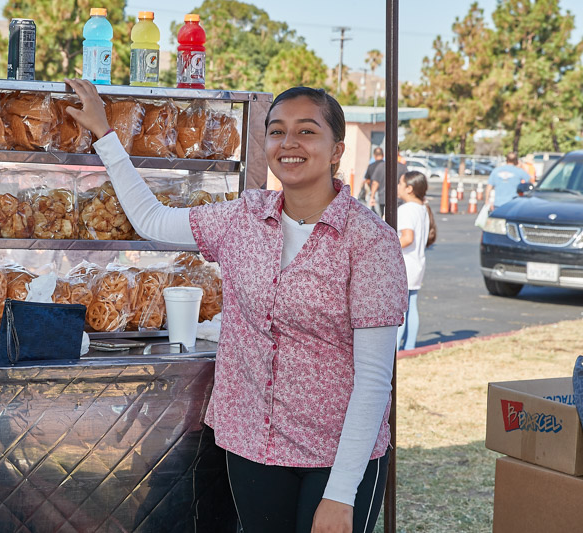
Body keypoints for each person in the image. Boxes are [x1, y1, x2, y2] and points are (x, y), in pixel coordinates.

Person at [65, 79, 408, 533]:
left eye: (307, 131)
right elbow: (152, 221)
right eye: (276, 131)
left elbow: (373, 379)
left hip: (336, 456)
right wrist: (105, 135)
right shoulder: (244, 217)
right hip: (253, 445)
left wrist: (341, 493)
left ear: (336, 149)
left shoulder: (369, 242)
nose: (289, 143)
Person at [395, 171, 435, 351]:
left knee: (399, 311)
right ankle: (409, 347)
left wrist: (386, 248)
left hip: (404, 265)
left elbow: (407, 237)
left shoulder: (406, 209)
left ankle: (395, 348)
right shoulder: (422, 208)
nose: (398, 187)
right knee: (411, 306)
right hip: (417, 264)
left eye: (400, 184)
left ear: (409, 189)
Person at [369, 149, 407, 217]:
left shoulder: (381, 166)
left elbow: (375, 183)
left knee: (383, 219)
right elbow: (407, 182)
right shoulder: (402, 167)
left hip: (383, 198)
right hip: (398, 199)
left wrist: (372, 197)